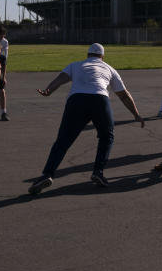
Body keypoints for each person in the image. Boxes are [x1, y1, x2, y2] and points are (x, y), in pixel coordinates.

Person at [30, 44, 144, 194]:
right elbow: (123, 94)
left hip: (77, 100)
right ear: (102, 56)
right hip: (99, 100)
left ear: (87, 55)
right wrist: (136, 114)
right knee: (106, 136)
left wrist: (48, 90)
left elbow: (60, 79)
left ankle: (47, 174)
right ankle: (98, 172)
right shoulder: (109, 68)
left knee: (63, 140)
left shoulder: (75, 65)